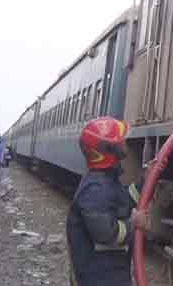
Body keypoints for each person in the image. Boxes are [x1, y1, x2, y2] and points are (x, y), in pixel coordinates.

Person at [66, 117, 149, 286]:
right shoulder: (96, 188)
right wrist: (134, 223)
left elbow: (124, 201)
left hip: (106, 270)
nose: (124, 143)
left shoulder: (106, 181)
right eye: (120, 142)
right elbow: (107, 233)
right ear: (109, 150)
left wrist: (145, 182)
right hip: (98, 276)